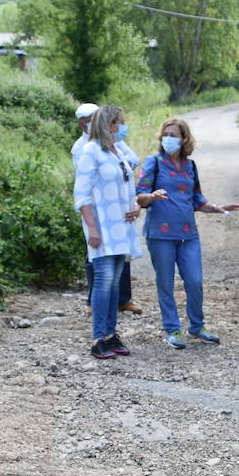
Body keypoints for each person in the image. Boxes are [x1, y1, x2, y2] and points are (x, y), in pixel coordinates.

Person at [136, 117, 239, 349]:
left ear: (184, 139)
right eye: (166, 134)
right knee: (165, 282)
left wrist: (216, 208)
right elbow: (140, 195)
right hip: (160, 234)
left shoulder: (190, 166)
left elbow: (197, 199)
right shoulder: (153, 162)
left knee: (194, 281)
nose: (169, 139)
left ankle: (197, 325)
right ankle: (172, 329)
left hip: (188, 234)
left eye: (174, 135)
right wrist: (151, 197)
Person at [74, 104, 143, 359]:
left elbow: (127, 185)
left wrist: (135, 205)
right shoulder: (89, 152)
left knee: (114, 283)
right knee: (103, 282)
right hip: (102, 227)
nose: (122, 127)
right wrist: (92, 228)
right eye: (119, 123)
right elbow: (81, 196)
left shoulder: (116, 151)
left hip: (121, 227)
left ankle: (110, 333)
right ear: (108, 124)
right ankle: (98, 338)